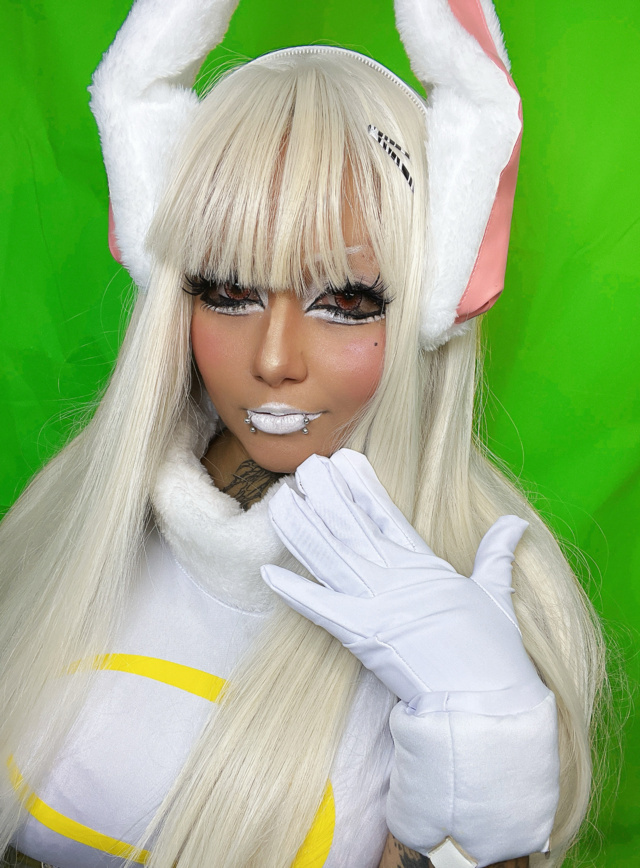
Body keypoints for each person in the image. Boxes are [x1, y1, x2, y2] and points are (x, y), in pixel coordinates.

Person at [0, 1, 606, 867]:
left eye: (347, 302)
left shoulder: (484, 599)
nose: (275, 359)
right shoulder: (69, 524)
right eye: (228, 291)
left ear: (435, 304)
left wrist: (486, 766)